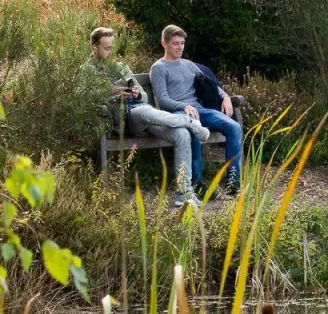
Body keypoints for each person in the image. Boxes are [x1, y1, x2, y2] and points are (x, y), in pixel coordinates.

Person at [85, 27, 209, 208]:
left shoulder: (120, 67)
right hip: (123, 120)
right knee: (144, 112)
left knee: (181, 134)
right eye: (106, 48)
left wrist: (135, 94)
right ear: (94, 47)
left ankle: (184, 194)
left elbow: (143, 96)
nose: (110, 51)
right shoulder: (86, 71)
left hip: (141, 113)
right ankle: (188, 121)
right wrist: (111, 93)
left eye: (111, 47)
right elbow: (83, 97)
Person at [150, 25, 243, 195]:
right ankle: (197, 183)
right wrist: (183, 106)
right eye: (175, 43)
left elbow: (210, 84)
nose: (180, 47)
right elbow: (163, 100)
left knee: (234, 127)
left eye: (182, 43)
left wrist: (226, 97)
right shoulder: (158, 68)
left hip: (199, 109)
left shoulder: (188, 64)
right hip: (177, 114)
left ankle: (233, 181)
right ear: (164, 43)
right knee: (193, 131)